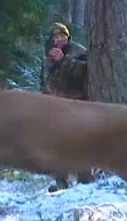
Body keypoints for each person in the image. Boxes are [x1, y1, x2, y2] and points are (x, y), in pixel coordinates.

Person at [40, 23, 93, 192]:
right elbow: (45, 80)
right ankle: (60, 181)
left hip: (76, 105)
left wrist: (63, 60)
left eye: (61, 37)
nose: (58, 41)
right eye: (55, 38)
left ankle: (85, 181)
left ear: (68, 38)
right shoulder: (47, 56)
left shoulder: (79, 52)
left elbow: (84, 73)